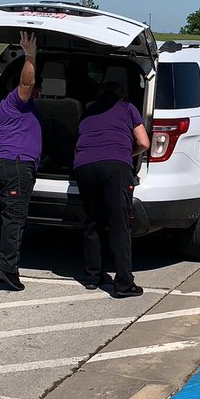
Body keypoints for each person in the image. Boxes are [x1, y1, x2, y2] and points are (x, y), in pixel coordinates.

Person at [73, 81, 150, 297]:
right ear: (121, 95)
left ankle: (92, 276)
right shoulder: (127, 108)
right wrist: (127, 152)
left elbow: (78, 145)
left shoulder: (88, 111)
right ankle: (124, 283)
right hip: (115, 165)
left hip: (84, 166)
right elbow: (144, 143)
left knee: (92, 220)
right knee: (119, 223)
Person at [0, 31, 41, 291]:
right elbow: (27, 85)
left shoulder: (15, 110)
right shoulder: (16, 101)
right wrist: (29, 55)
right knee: (15, 219)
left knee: (5, 218)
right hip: (13, 165)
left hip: (0, 164)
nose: (38, 92)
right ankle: (8, 270)